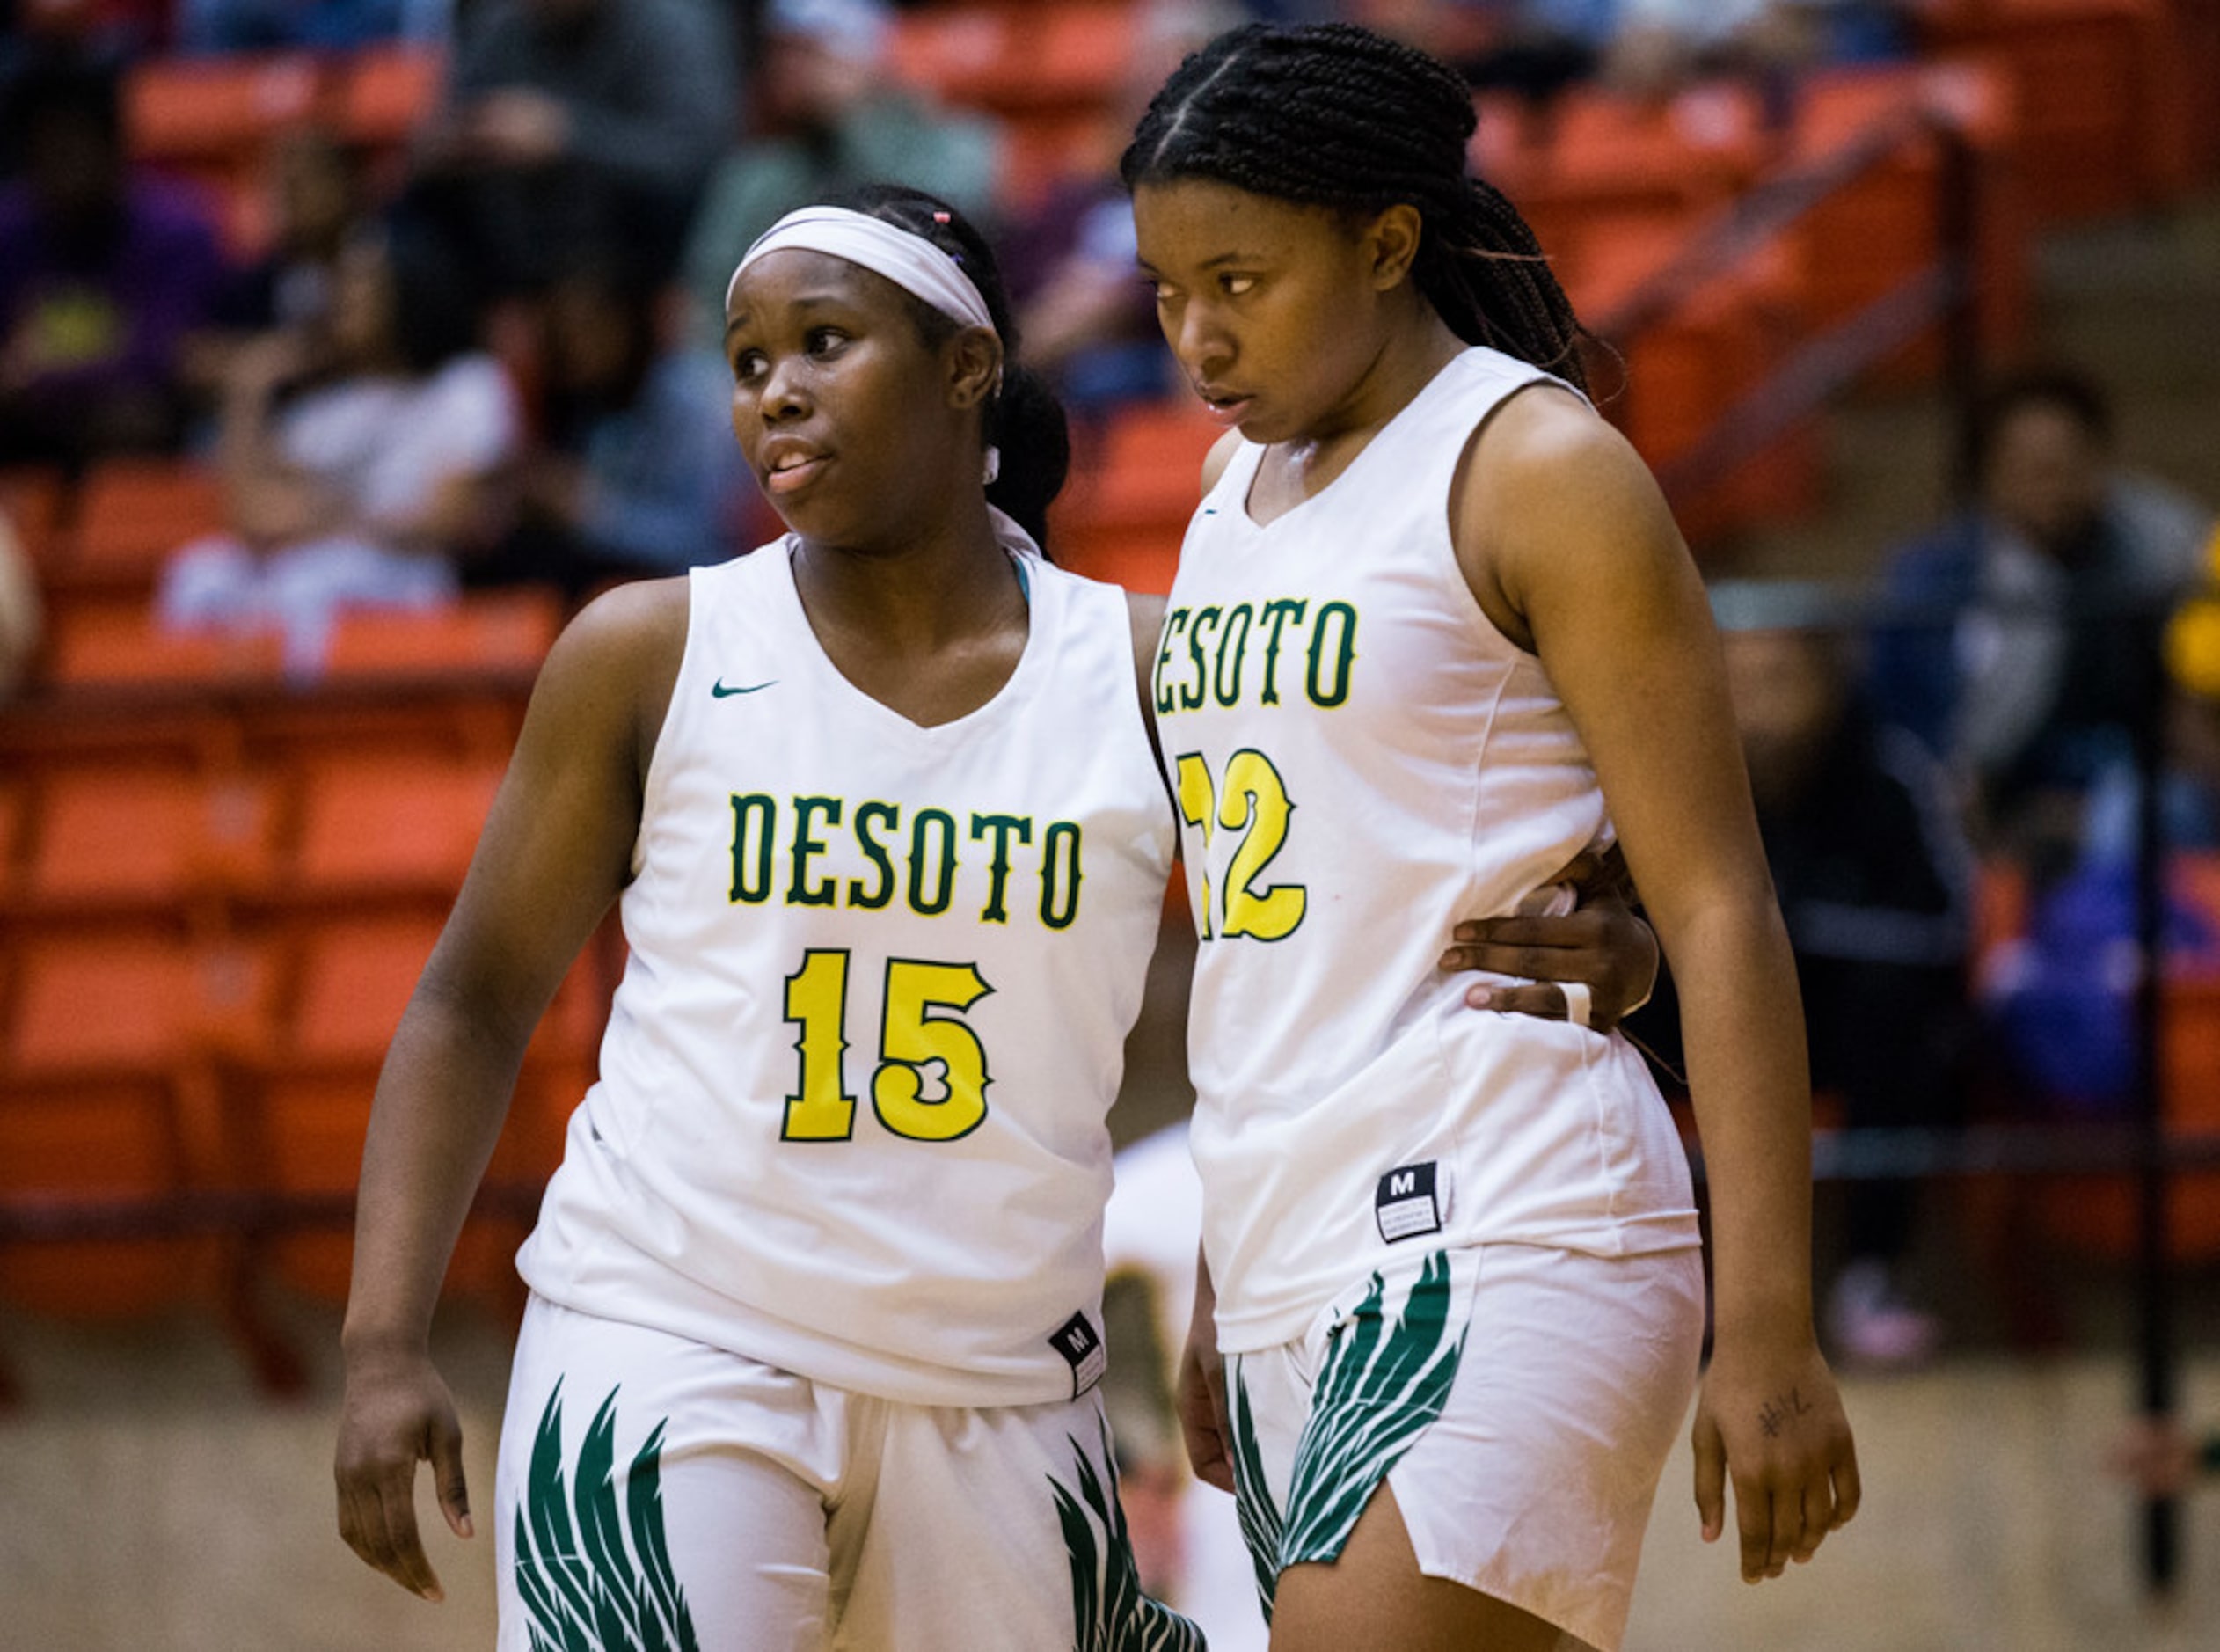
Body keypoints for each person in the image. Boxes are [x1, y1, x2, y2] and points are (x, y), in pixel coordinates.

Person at [331, 182, 1659, 1648]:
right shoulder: (650, 649)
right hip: (675, 1327)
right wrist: (384, 1338)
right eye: (748, 358)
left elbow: (1344, 936)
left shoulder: (1156, 671)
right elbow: (469, 1000)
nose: (775, 390)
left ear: (966, 367)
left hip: (1012, 1387)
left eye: (822, 342)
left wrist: (1611, 935)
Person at [1122, 21, 1859, 1649]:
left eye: (1236, 281)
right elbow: (1281, 927)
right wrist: (1229, 1268)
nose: (1194, 336)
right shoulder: (1224, 496)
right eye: (1165, 293)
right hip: (1287, 1216)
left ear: (1385, 243)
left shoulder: (1532, 466)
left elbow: (1719, 904)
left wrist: (1769, 1322)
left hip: (1506, 1191)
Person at [1710, 578, 1973, 1371]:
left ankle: (1873, 1276)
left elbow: (1945, 925)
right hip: (1707, 1023)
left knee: (1897, 1018)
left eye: (1779, 680)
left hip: (1840, 1025)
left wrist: (1784, 934)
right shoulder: (1676, 777)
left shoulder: (1891, 776)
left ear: (1831, 683)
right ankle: (1676, 1282)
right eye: (1734, 681)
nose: (1755, 707)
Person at [1866, 364, 2216, 862]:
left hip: (2139, 789)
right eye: (2030, 468)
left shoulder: (2161, 550)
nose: (2054, 486)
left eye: (2069, 465)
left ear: (2101, 463)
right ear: (1988, 475)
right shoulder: (1937, 580)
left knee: (2149, 810)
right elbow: (1930, 743)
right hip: (2000, 804)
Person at [157, 216, 521, 676]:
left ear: (408, 289)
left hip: (414, 573)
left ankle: (304, 738)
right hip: (329, 553)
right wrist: (247, 390)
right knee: (196, 574)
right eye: (342, 285)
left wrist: (325, 517)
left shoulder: (467, 385)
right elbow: (254, 517)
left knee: (308, 582)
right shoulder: (330, 410)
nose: (343, 299)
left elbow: (444, 521)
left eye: (362, 286)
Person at [678, 0, 1000, 355]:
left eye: (812, 51)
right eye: (782, 53)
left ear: (871, 57)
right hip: (764, 367)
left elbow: (938, 241)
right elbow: (703, 303)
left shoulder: (961, 143)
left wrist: (854, 119)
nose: (793, 68)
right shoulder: (755, 173)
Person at [405, 0, 735, 299]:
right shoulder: (503, 25)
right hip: (517, 247)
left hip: (631, 256)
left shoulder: (668, 23)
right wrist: (464, 142)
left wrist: (568, 137)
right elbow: (430, 143)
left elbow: (700, 160)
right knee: (412, 221)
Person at [0, 52, 230, 472]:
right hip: (22, 431)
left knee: (133, 415)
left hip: (146, 434)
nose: (60, 162)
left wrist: (44, 370)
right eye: (44, 148)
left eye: (73, 144)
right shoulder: (8, 229)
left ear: (112, 145)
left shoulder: (179, 230)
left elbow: (169, 357)